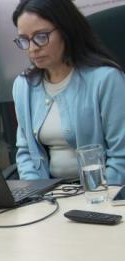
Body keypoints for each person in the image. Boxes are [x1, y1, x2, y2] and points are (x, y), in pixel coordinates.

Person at [12, 0, 125, 184]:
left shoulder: (106, 79)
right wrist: (35, 196)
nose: (32, 48)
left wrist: (94, 196)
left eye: (41, 37)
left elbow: (122, 157)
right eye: (24, 40)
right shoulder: (23, 86)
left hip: (101, 195)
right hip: (49, 197)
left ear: (66, 31)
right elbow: (25, 152)